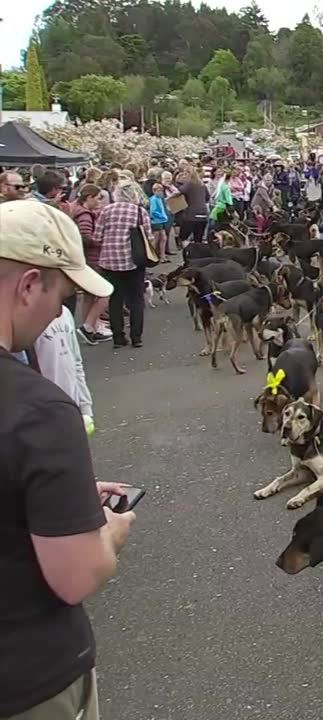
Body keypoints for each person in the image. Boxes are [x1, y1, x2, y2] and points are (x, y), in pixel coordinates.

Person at [0, 200, 133, 720]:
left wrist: (57, 497)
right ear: (29, 285)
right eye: (63, 296)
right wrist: (108, 531)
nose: (61, 314)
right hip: (25, 679)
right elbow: (76, 575)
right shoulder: (36, 409)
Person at [93, 183, 151, 349]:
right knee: (136, 300)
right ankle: (136, 337)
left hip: (109, 261)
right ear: (134, 195)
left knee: (115, 300)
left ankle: (118, 337)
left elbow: (97, 237)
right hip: (134, 261)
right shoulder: (140, 212)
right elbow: (149, 237)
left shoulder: (106, 211)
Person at [34, 305, 94, 432]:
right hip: (46, 413)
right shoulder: (27, 320)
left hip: (72, 407)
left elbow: (76, 361)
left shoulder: (65, 313)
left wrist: (85, 407)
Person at [68, 185, 110, 345]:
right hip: (92, 259)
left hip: (85, 259)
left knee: (88, 295)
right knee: (105, 292)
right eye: (98, 198)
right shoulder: (85, 216)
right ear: (89, 197)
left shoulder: (78, 211)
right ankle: (88, 326)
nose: (100, 201)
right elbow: (86, 238)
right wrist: (102, 240)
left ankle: (89, 327)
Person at [175, 169, 208, 245]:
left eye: (185, 174)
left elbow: (177, 193)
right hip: (203, 214)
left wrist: (178, 182)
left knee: (184, 237)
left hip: (191, 215)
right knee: (198, 239)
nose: (183, 176)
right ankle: (198, 255)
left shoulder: (188, 185)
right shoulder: (202, 185)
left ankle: (187, 253)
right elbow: (207, 198)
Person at [147, 183, 170, 261]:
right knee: (156, 239)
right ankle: (152, 256)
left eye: (161, 191)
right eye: (158, 191)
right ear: (154, 191)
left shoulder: (160, 199)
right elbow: (153, 211)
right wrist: (162, 216)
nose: (160, 192)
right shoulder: (153, 199)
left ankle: (162, 255)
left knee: (163, 238)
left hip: (162, 221)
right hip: (156, 221)